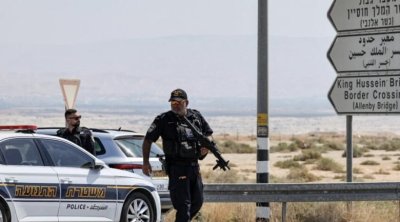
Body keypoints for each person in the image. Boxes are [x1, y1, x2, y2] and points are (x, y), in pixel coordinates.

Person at [142, 88, 213, 222]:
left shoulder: (196, 116)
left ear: (186, 102)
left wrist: (207, 147)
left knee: (197, 202)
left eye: (178, 102)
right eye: (173, 102)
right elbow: (148, 140)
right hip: (177, 168)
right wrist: (145, 162)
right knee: (183, 206)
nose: (175, 105)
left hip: (194, 167)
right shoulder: (163, 119)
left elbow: (208, 133)